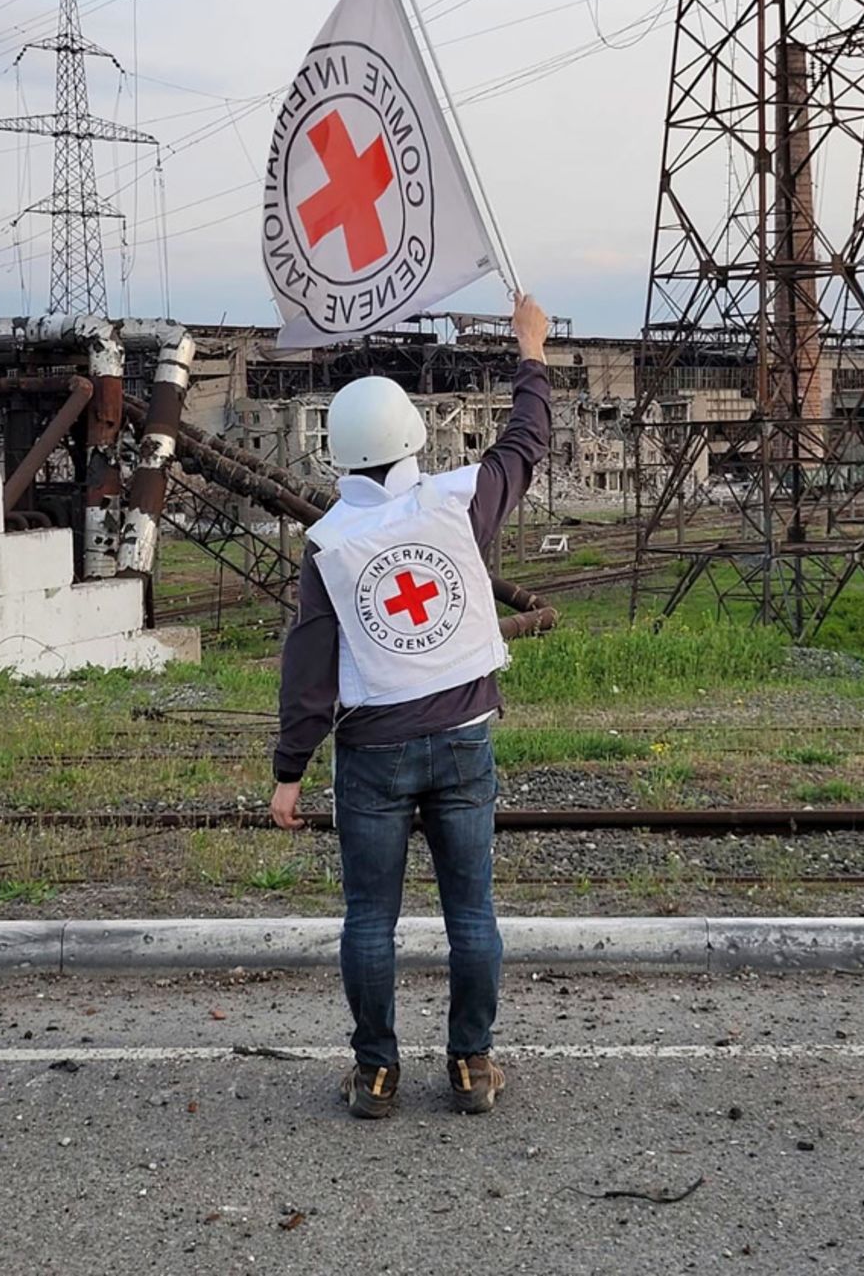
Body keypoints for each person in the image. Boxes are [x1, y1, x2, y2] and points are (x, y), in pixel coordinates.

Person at [270, 289, 552, 1119]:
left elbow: (309, 672)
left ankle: (377, 1074)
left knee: (369, 918)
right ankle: (471, 1065)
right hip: (465, 737)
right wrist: (528, 347)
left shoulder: (328, 545)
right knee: (472, 911)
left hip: (372, 753)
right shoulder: (460, 498)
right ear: (413, 440)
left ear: (337, 455)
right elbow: (527, 441)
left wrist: (290, 771)